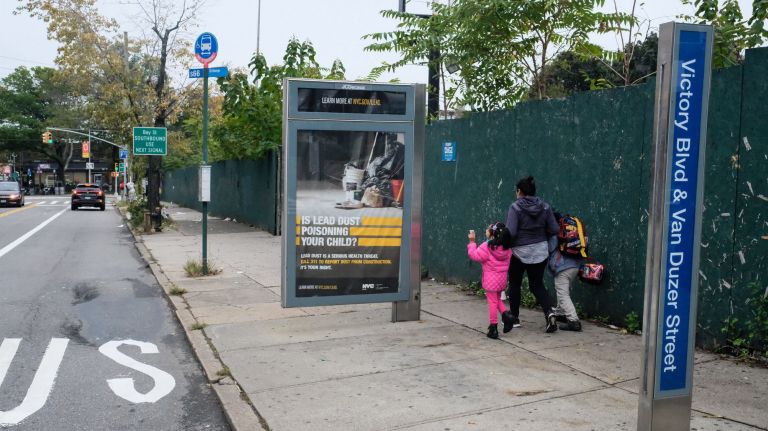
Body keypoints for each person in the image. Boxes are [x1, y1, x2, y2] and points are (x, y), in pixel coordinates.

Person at [506, 176, 560, 333]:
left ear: (519, 191)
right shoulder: (545, 207)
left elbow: (512, 232)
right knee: (537, 285)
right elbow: (555, 229)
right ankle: (549, 313)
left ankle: (514, 318)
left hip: (519, 252)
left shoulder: (515, 208)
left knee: (515, 283)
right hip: (540, 251)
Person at [467, 222, 515, 339]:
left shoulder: (487, 247)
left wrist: (472, 242)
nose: (486, 230)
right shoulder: (507, 248)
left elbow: (474, 255)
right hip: (502, 279)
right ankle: (507, 316)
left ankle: (493, 327)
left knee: (492, 302)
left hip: (490, 280)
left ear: (493, 234)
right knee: (497, 299)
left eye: (488, 229)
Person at [547, 218, 584, 331]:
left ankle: (573, 320)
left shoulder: (555, 233)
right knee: (563, 289)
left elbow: (550, 248)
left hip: (563, 266)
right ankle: (560, 312)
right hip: (575, 265)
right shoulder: (570, 230)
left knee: (563, 294)